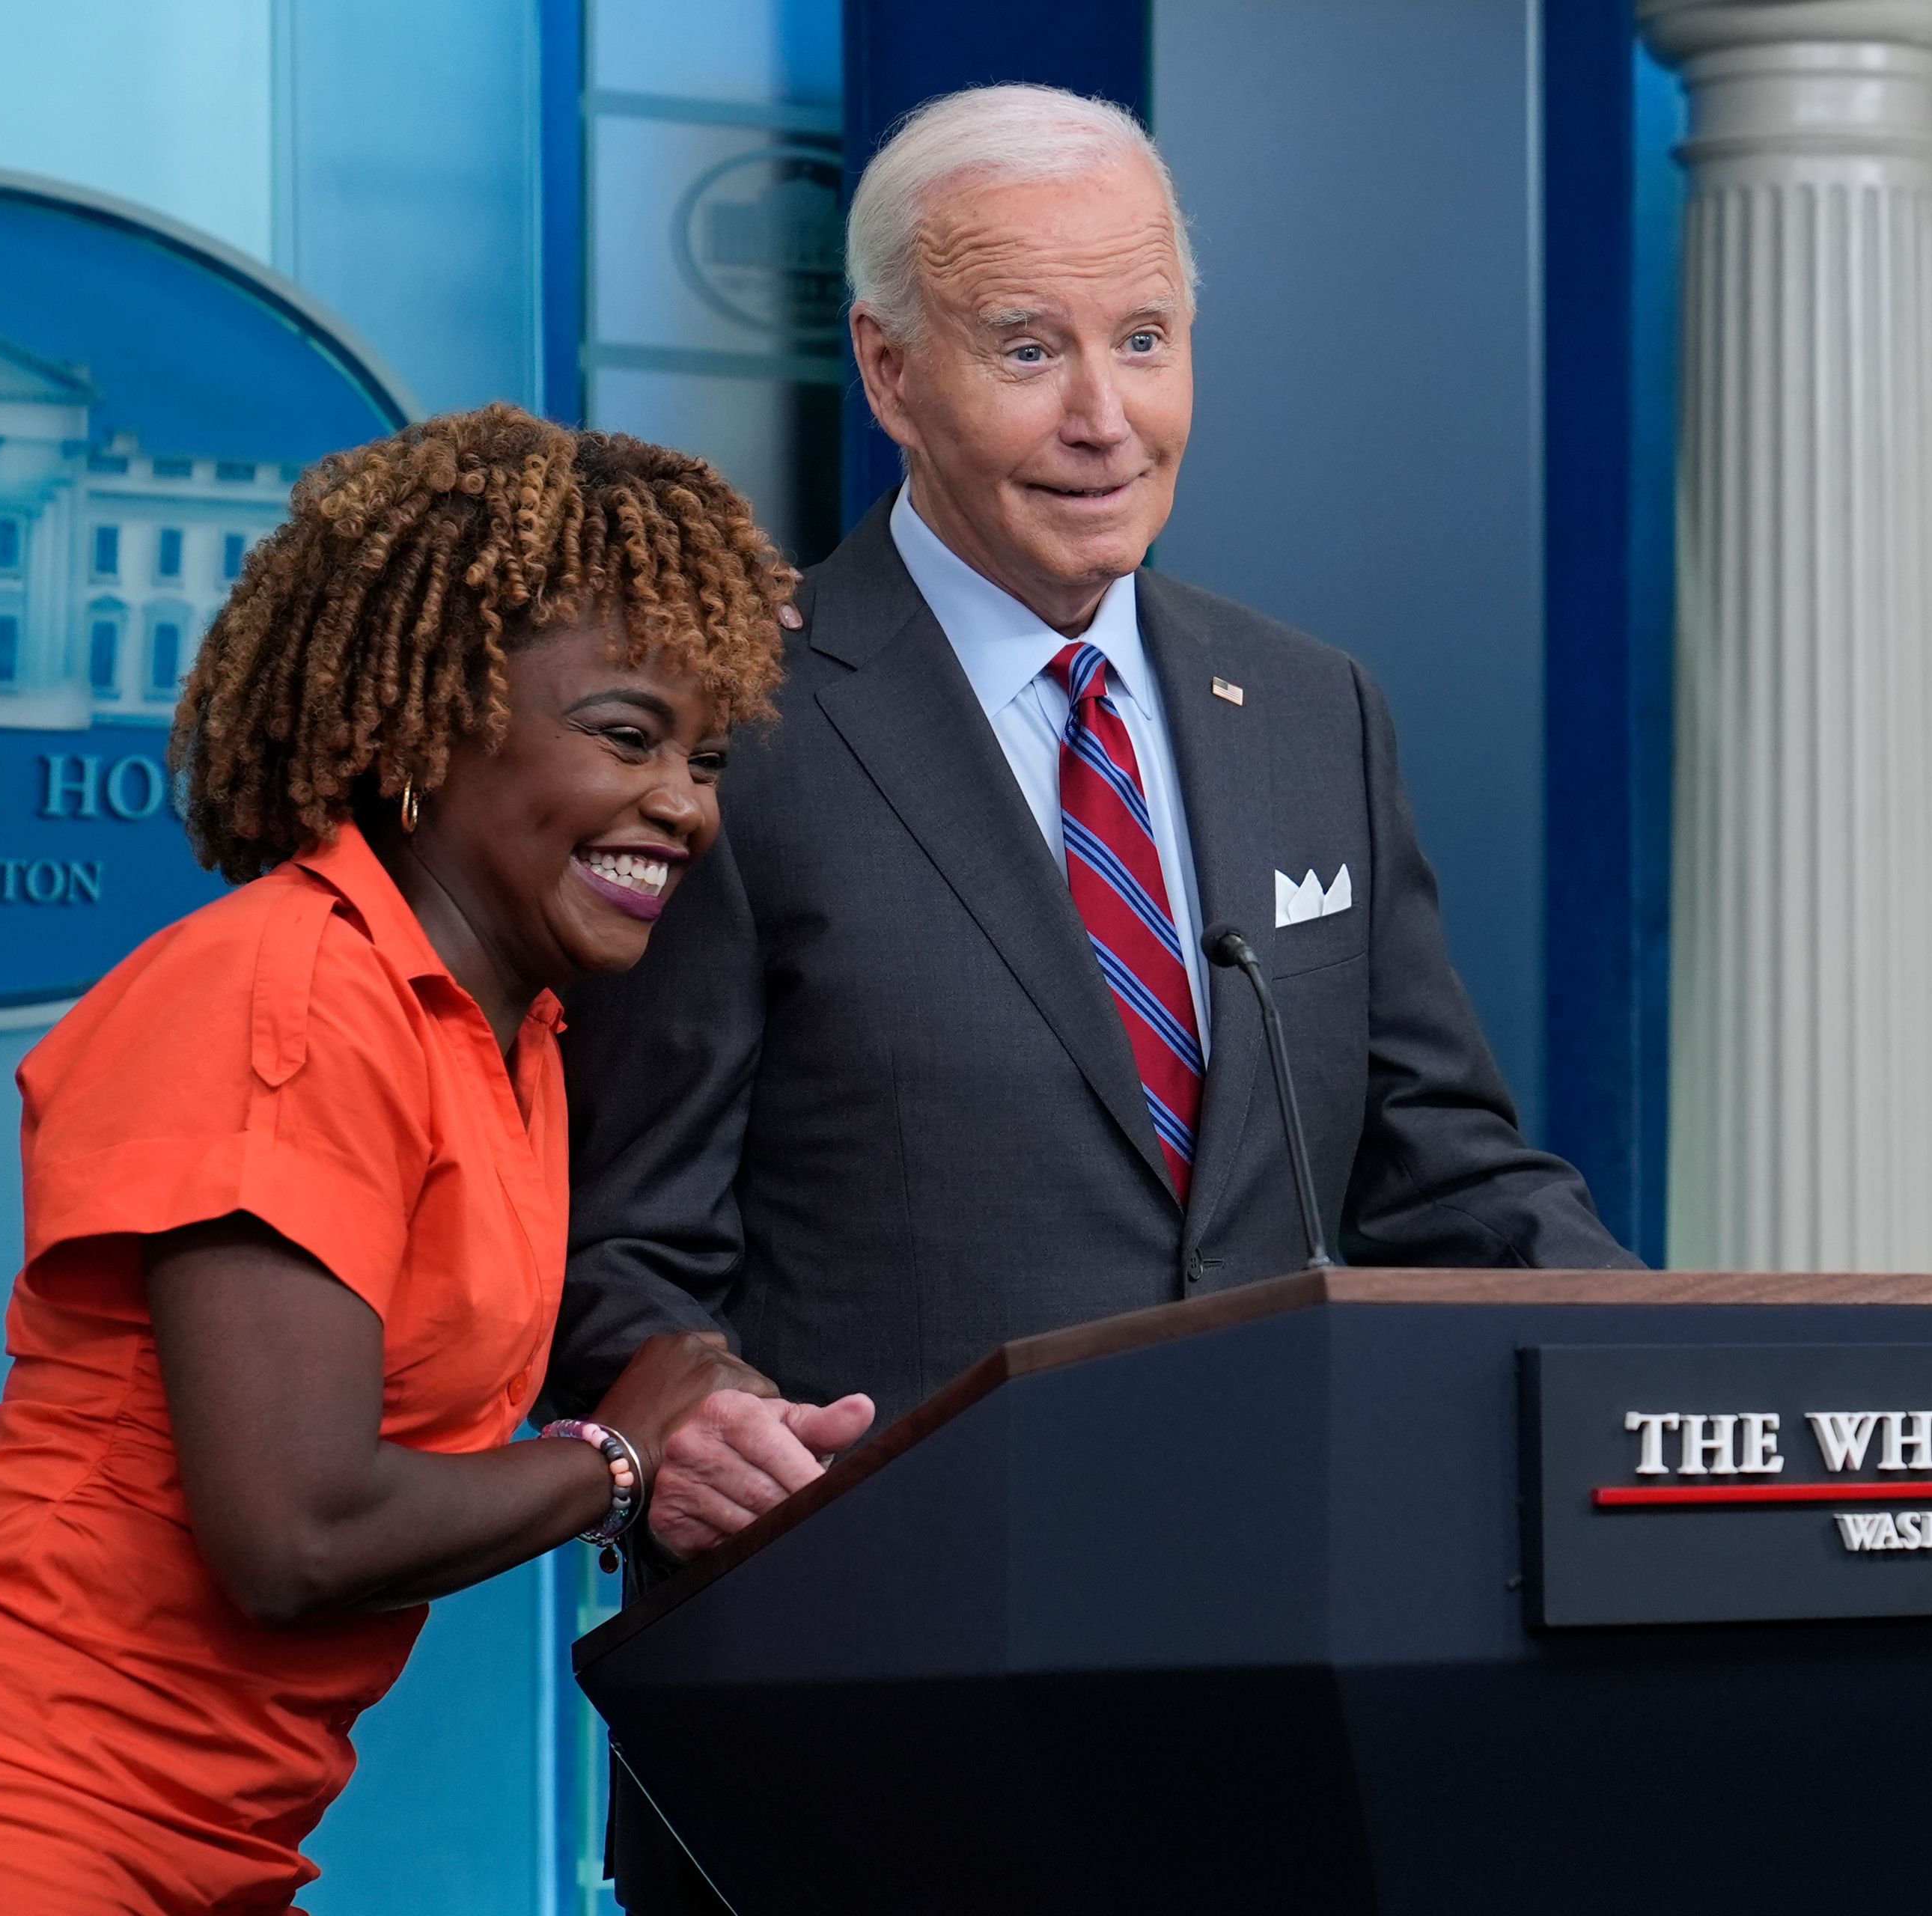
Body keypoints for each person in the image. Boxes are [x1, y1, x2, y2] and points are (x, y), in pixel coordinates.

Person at [542, 86, 1640, 1909]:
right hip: (874, 1720)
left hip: (1275, 1708)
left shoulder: (1311, 710)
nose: (1103, 416)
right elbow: (608, 1235)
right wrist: (679, 1412)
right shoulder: (728, 726)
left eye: (1144, 339)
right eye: (1029, 347)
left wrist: (1671, 1379)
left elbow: (1449, 1171)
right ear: (890, 374)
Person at [0, 404, 800, 1915]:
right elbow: (293, 1532)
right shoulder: (284, 989)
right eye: (626, 734)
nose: (685, 804)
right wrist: (613, 1457)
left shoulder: (519, 1035)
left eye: (707, 755)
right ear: (430, 724)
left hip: (197, 1847)